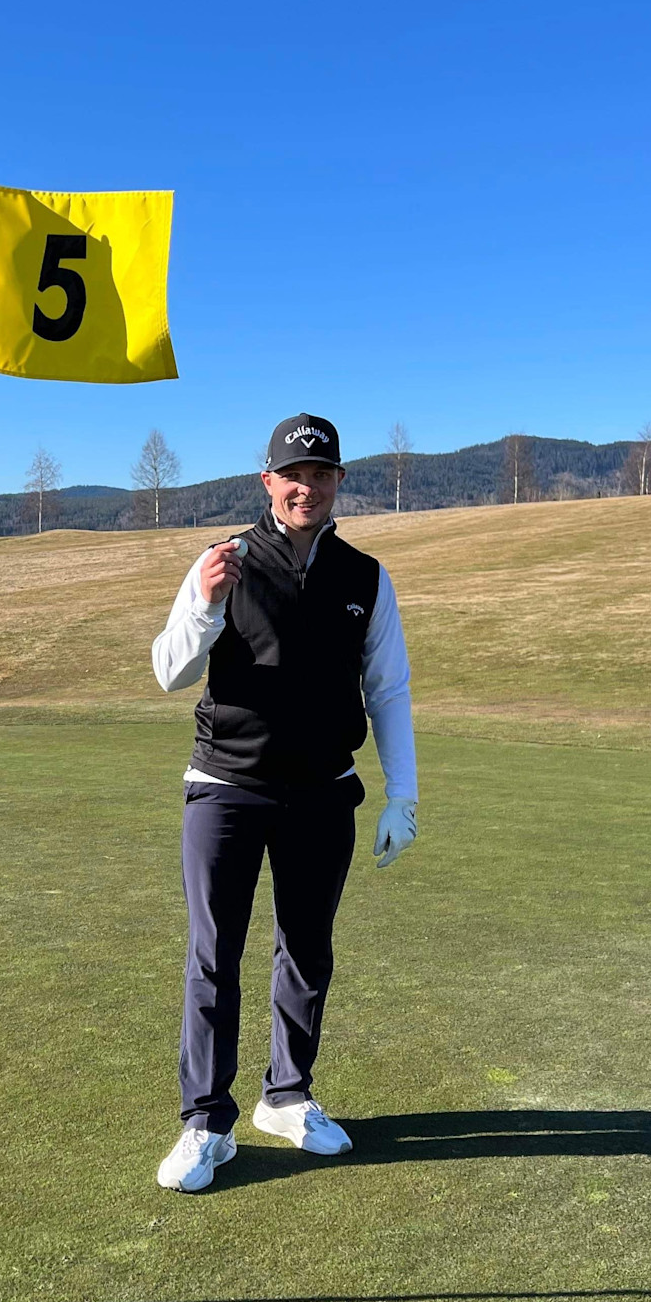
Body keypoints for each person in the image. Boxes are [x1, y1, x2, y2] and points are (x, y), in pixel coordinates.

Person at [150, 413, 418, 1192]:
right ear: (267, 482)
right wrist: (203, 604)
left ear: (339, 483)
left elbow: (389, 689)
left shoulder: (364, 577)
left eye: (324, 474)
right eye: (294, 475)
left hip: (323, 791)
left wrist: (403, 793)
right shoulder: (222, 561)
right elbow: (168, 671)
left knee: (307, 949)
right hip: (226, 789)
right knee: (214, 957)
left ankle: (288, 1097)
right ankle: (205, 1122)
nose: (309, 486)